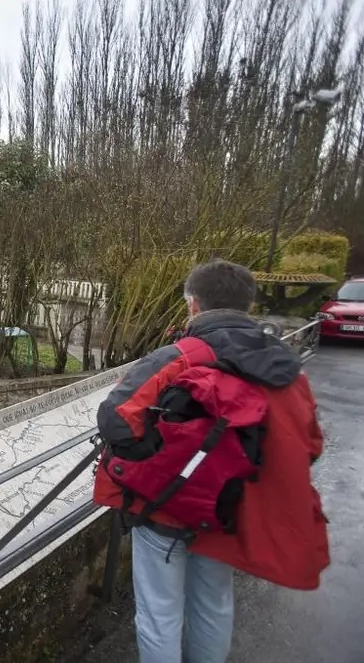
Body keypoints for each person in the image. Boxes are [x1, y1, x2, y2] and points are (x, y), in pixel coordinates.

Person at [92, 259, 329, 663]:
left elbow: (115, 418)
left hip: (164, 510)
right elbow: (309, 442)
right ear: (249, 306)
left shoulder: (180, 356)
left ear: (193, 305)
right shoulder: (285, 368)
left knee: (159, 613)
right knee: (214, 604)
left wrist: (158, 460)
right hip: (228, 508)